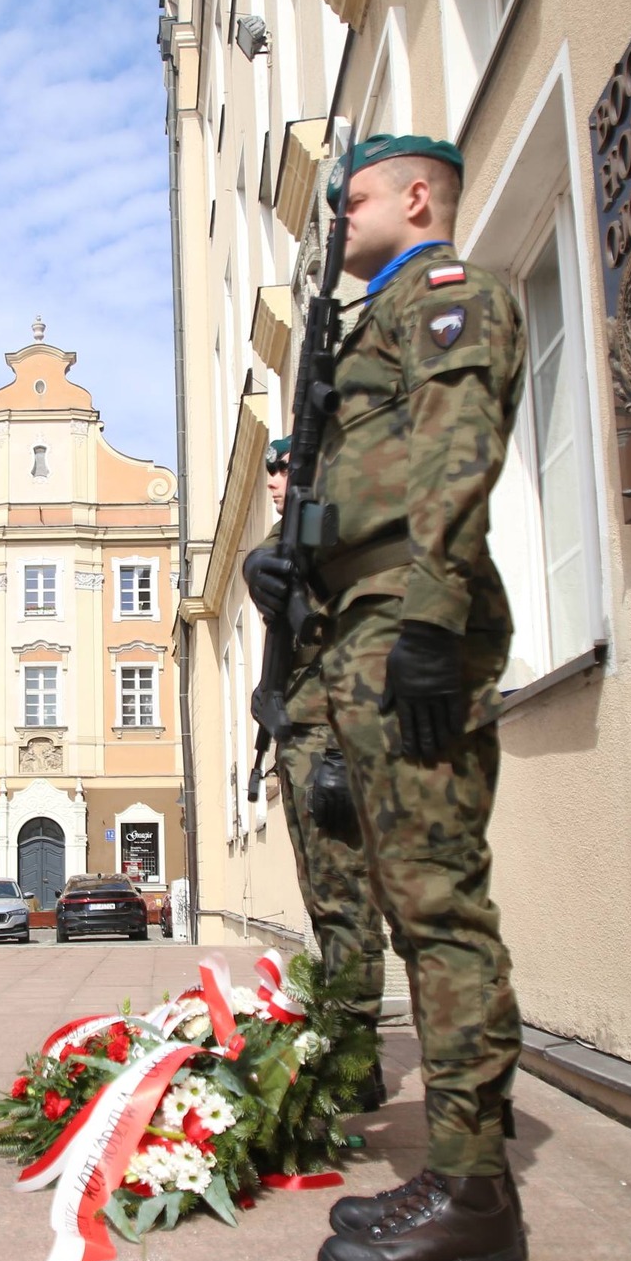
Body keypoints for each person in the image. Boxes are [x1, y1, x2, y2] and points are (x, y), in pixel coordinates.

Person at [244, 134, 527, 1261]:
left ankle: (472, 1197)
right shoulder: (365, 325)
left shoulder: (449, 298)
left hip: (407, 626)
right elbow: (358, 480)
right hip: (354, 628)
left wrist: (425, 615)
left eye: (348, 198)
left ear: (414, 198)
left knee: (437, 905)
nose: (335, 217)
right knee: (407, 904)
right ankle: (459, 1175)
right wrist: (287, 564)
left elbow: (457, 456)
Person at [263, 434, 396, 1111]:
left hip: (333, 739)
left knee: (347, 903)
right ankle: (351, 1045)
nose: (273, 480)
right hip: (302, 739)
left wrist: (342, 747)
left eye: (284, 468)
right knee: (325, 900)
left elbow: (356, 639)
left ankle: (356, 1060)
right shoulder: (289, 545)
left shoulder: (336, 541)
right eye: (270, 472)